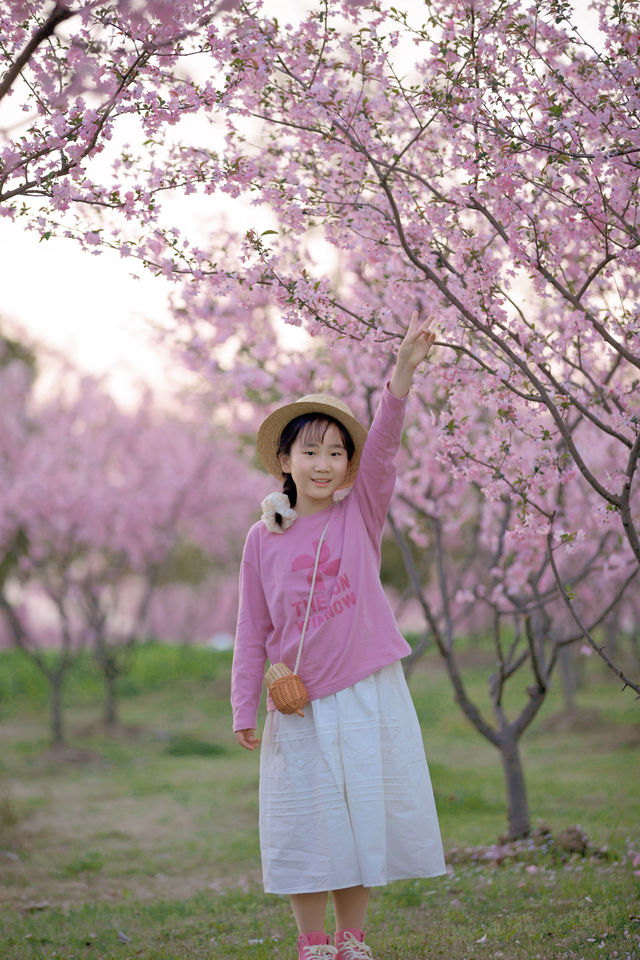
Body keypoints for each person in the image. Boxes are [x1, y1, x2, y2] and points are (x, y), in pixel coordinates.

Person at [231, 311, 446, 960]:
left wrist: (401, 379)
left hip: (365, 693)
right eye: (310, 451)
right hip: (297, 702)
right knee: (305, 822)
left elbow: (384, 447)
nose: (323, 463)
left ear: (348, 464)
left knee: (357, 817)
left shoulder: (362, 513)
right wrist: (245, 706)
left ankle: (353, 940)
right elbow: (251, 629)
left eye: (335, 452)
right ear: (286, 461)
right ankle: (314, 943)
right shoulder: (261, 539)